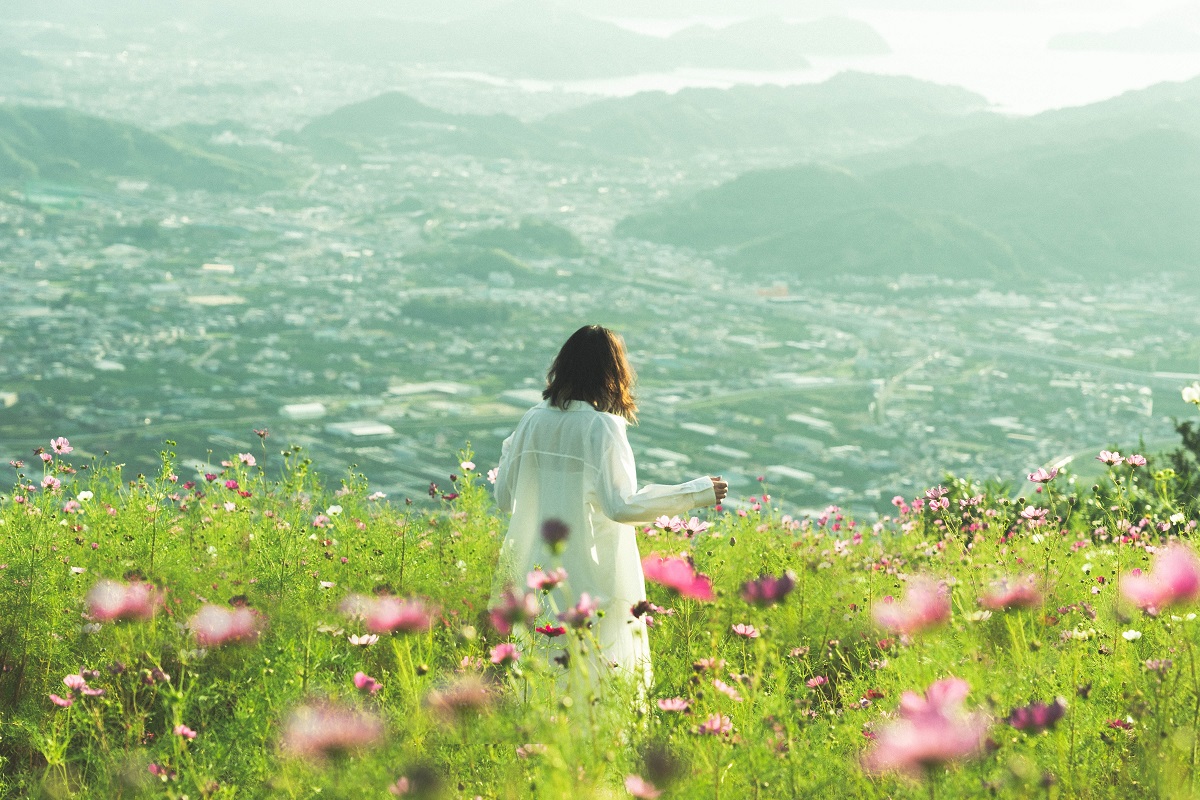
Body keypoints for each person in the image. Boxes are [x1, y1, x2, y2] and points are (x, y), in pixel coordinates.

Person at [492, 325, 728, 688]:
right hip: (590, 573)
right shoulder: (601, 428)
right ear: (611, 373)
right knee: (594, 676)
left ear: (563, 366)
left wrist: (514, 448)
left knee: (536, 677)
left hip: (533, 572)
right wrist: (694, 493)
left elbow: (504, 498)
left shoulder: (531, 421)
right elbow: (620, 506)